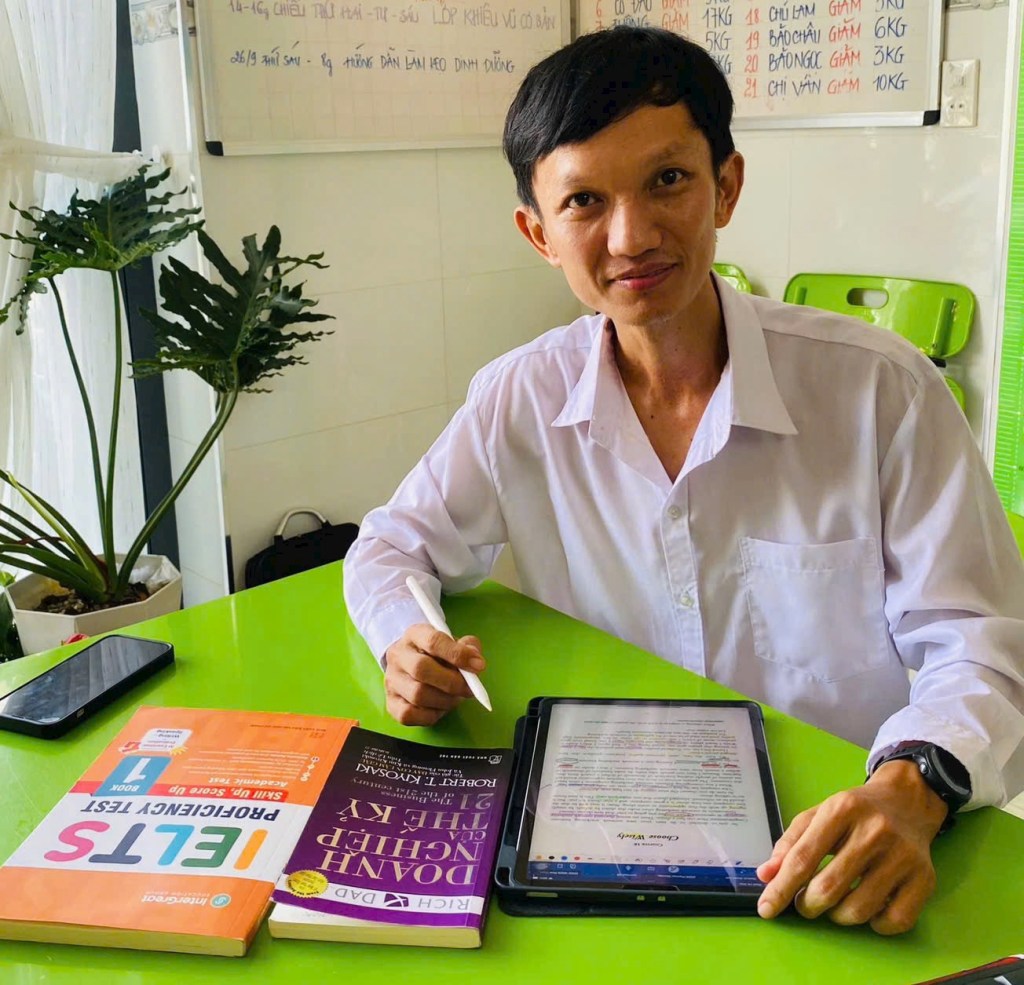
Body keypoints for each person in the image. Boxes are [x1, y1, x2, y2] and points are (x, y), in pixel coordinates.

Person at [343, 26, 1024, 935]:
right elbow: (391, 545)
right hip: (599, 836)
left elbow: (983, 643)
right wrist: (410, 639)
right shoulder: (521, 396)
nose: (631, 236)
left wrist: (916, 784)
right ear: (539, 233)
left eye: (667, 180)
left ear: (726, 186)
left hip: (835, 841)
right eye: (584, 201)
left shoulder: (882, 392)